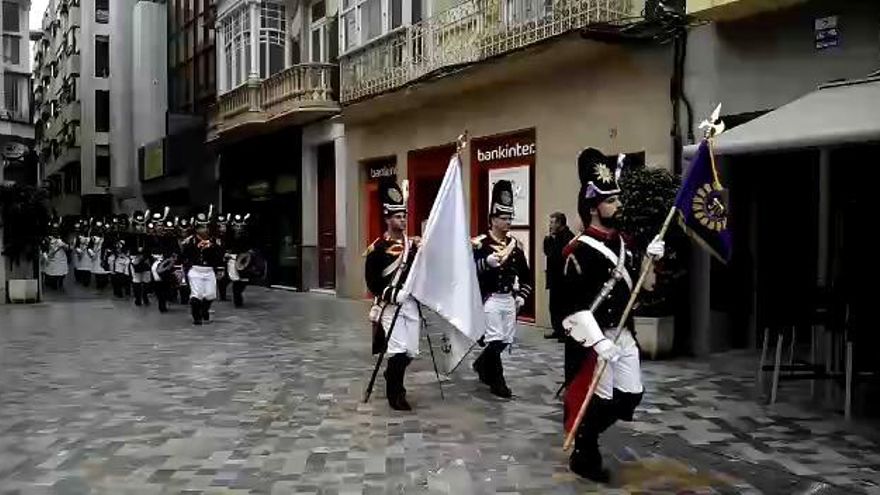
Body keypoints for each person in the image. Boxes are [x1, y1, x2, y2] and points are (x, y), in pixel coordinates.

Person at [560, 148, 665, 482]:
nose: (618, 206)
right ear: (594, 207)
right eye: (611, 201)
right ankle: (585, 450)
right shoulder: (576, 252)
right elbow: (571, 308)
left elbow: (646, 286)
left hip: (623, 333)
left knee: (631, 395)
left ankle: (586, 439)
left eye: (618, 200)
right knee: (602, 401)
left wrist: (651, 258)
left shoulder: (627, 243)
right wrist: (598, 342)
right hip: (595, 339)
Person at [471, 180, 533, 398]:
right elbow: (467, 275)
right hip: (488, 299)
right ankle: (498, 381)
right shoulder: (480, 244)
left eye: (510, 218)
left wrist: (522, 297)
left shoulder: (515, 247)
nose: (508, 223)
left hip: (508, 298)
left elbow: (527, 277)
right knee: (495, 339)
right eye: (503, 218)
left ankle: (481, 364)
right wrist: (485, 263)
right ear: (493, 219)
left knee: (505, 341)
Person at [364, 179, 421, 411]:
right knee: (397, 350)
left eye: (404, 216)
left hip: (410, 305)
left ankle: (391, 374)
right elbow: (372, 282)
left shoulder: (414, 246)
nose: (403, 220)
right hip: (389, 306)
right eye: (397, 217)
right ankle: (396, 394)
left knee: (410, 352)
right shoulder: (377, 249)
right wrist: (392, 294)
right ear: (387, 218)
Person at [181, 208, 223, 325]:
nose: (203, 230)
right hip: (195, 270)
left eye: (205, 227)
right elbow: (184, 255)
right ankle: (196, 317)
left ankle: (204, 310)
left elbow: (220, 256)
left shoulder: (214, 241)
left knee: (210, 294)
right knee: (197, 295)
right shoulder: (191, 241)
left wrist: (212, 247)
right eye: (200, 227)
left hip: (209, 270)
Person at [543, 212, 575, 341]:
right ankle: (557, 329)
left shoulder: (567, 237)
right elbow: (547, 252)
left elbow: (558, 256)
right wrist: (549, 238)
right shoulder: (553, 237)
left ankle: (565, 332)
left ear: (559, 223)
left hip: (563, 279)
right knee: (554, 306)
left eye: (552, 222)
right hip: (554, 278)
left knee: (563, 307)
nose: (550, 225)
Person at [88, 219, 111, 291]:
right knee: (97, 271)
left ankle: (103, 282)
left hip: (103, 254)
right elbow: (90, 245)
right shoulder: (93, 237)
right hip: (96, 255)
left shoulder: (106, 237)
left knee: (104, 269)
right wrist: (91, 251)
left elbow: (109, 243)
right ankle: (99, 283)